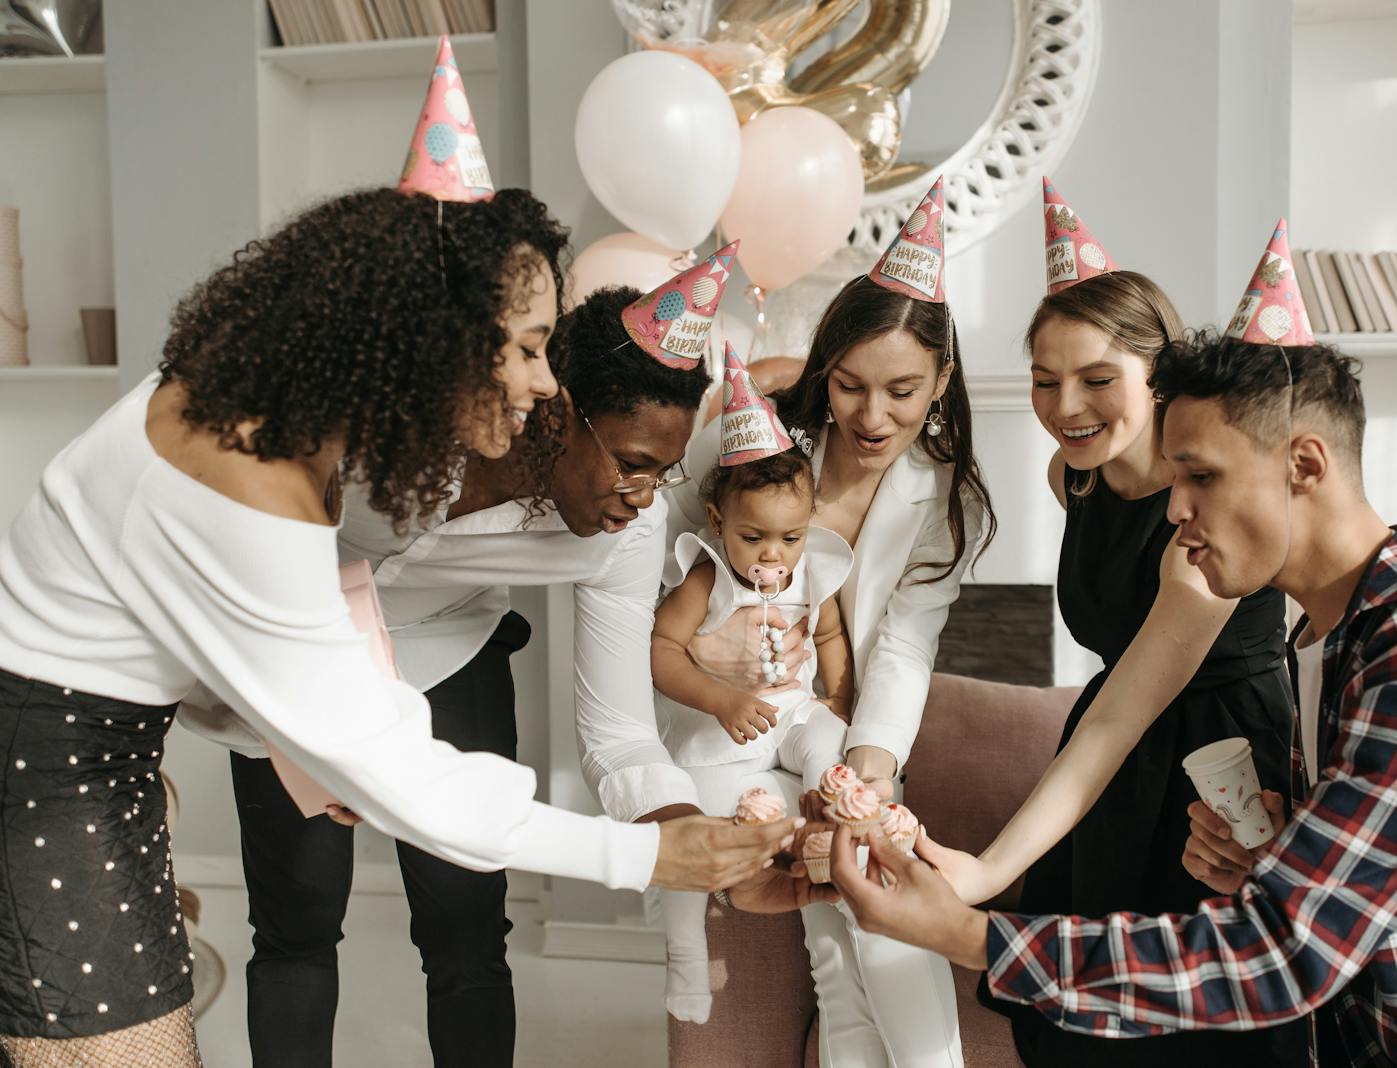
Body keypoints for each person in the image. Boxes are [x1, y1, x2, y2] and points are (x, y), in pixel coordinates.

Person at [0, 184, 811, 1068]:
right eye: (532, 349)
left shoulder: (270, 408)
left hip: (95, 753)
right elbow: (392, 770)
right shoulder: (265, 473)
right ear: (441, 342)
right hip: (46, 762)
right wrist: (647, 857)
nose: (545, 381)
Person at [828, 232, 1397, 1067]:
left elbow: (1278, 957)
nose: (1172, 508)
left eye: (1201, 477)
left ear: (1304, 464)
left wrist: (972, 934)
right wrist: (1278, 857)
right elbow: (1373, 899)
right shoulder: (1335, 640)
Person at [917, 183, 1301, 1064]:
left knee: (1182, 1020)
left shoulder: (1196, 527)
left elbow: (1120, 721)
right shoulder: (1072, 479)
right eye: (1046, 381)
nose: (1066, 406)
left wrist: (985, 871)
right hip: (1117, 753)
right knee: (1080, 1021)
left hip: (1215, 761)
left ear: (1158, 376)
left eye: (1097, 379)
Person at [642, 177, 996, 1066]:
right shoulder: (756, 441)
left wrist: (865, 769)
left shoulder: (947, 499)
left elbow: (904, 641)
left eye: (904, 393)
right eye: (849, 387)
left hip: (836, 727)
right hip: (719, 723)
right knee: (830, 940)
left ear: (943, 380)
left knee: (871, 909)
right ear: (821, 373)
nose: (873, 418)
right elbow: (665, 558)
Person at [651, 345, 857, 1023]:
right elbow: (661, 650)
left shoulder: (809, 570)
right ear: (717, 523)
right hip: (721, 737)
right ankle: (685, 957)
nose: (774, 555)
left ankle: (834, 795)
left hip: (790, 714)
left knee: (825, 735)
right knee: (691, 838)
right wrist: (720, 698)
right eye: (754, 536)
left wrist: (837, 697)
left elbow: (828, 637)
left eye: (791, 537)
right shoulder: (705, 578)